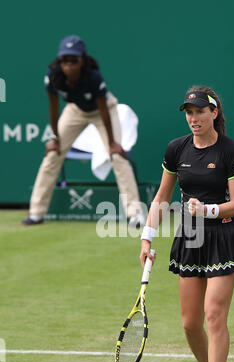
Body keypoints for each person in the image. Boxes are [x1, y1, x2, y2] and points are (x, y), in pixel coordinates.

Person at [139, 85, 234, 362]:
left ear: (214, 113)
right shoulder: (177, 149)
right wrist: (147, 238)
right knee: (190, 324)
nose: (194, 118)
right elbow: (162, 196)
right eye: (189, 112)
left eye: (200, 112)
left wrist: (207, 210)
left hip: (223, 235)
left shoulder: (231, 150)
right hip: (190, 238)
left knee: (214, 315)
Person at [22, 35, 144, 228]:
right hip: (75, 110)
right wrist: (55, 138)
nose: (69, 65)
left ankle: (135, 214)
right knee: (53, 154)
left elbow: (103, 110)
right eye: (65, 60)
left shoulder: (93, 76)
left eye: (74, 60)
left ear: (82, 60)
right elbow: (53, 107)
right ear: (59, 61)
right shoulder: (53, 74)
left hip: (103, 111)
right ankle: (36, 213)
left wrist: (112, 143)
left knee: (118, 157)